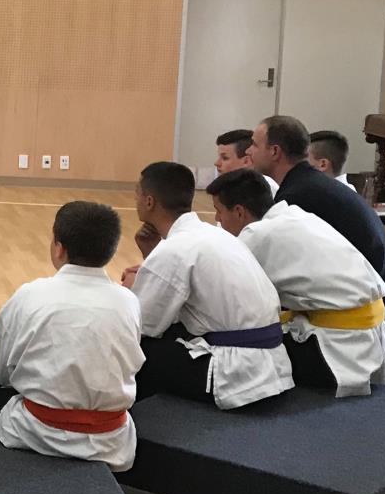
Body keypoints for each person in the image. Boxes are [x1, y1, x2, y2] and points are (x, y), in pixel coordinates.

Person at [0, 201, 143, 472]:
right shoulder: (129, 301)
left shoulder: (32, 295)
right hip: (111, 441)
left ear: (59, 248)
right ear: (111, 250)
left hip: (39, 433)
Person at [206, 169, 385, 397]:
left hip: (337, 348)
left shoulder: (256, 235)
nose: (217, 219)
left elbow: (222, 297)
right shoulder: (295, 214)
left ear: (239, 212)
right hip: (371, 337)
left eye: (219, 211)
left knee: (238, 352)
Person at [124, 162, 293, 409]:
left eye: (137, 193)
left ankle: (137, 421)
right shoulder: (213, 234)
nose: (135, 199)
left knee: (131, 348)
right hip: (270, 360)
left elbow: (143, 325)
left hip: (235, 371)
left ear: (149, 201)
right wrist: (150, 255)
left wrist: (130, 293)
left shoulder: (174, 249)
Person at [249, 116, 385, 326]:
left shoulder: (299, 196)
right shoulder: (308, 184)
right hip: (376, 303)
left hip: (368, 316)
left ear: (274, 151)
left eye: (255, 145)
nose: (249, 151)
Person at [214, 129, 278, 195]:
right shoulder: (228, 189)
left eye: (225, 158)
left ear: (246, 161)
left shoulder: (264, 189)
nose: (216, 163)